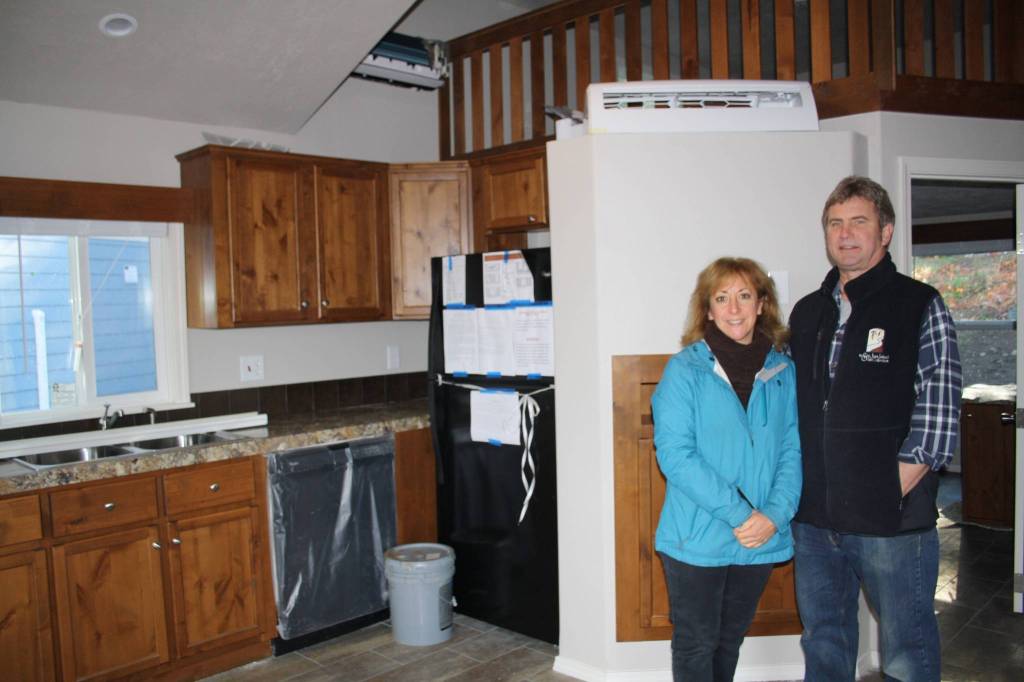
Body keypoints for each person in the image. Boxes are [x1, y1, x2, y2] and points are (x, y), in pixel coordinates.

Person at [788, 176, 962, 682]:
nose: (845, 234)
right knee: (824, 642)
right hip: (815, 521)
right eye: (835, 223)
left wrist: (894, 485)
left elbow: (939, 402)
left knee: (907, 648)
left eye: (858, 222)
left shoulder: (919, 304)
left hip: (892, 519)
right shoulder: (807, 312)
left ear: (885, 232)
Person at [652, 257, 802, 682]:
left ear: (761, 305)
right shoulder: (684, 371)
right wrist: (743, 516)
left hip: (759, 536)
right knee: (697, 643)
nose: (733, 309)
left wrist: (772, 516)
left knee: (729, 640)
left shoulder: (783, 371)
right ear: (708, 310)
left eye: (743, 296)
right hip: (696, 536)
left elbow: (793, 450)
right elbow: (675, 456)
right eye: (722, 298)